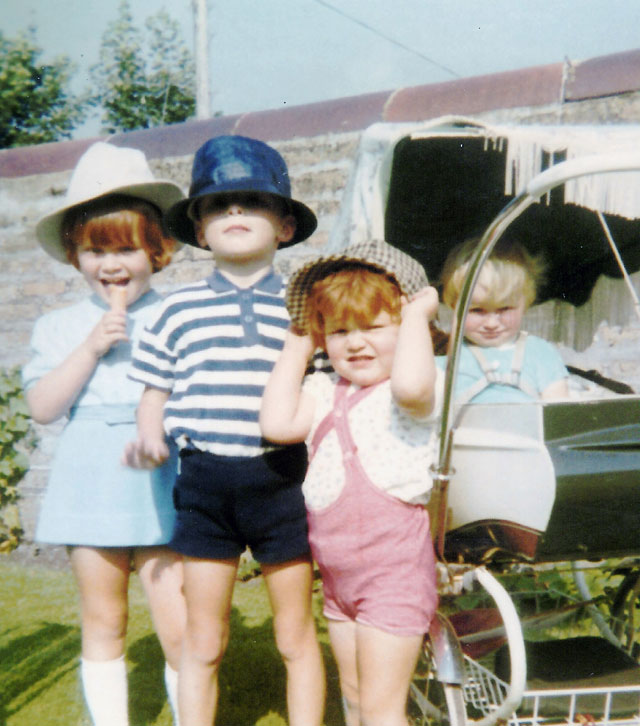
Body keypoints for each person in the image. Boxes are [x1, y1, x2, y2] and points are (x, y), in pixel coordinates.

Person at [122, 135, 325, 726]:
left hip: (282, 482)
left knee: (294, 636)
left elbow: (325, 391)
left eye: (252, 202)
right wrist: (150, 435)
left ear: (285, 227)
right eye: (219, 205)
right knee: (203, 640)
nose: (235, 213)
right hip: (206, 486)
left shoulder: (306, 307)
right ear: (200, 229)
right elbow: (153, 394)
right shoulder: (175, 311)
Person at [22, 142, 187, 726]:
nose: (112, 265)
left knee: (181, 622)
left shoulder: (178, 315)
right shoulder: (58, 324)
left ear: (159, 250)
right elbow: (43, 407)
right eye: (96, 250)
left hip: (163, 471)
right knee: (103, 618)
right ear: (75, 255)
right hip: (90, 472)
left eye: (128, 249)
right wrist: (91, 345)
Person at [260, 239, 442, 726]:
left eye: (374, 327)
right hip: (340, 580)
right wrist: (299, 343)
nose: (355, 342)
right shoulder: (323, 389)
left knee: (383, 711)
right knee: (358, 701)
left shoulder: (411, 393)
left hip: (393, 576)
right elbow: (276, 425)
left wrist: (418, 319)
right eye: (339, 330)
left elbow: (412, 385)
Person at [438, 237, 569, 403]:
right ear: (454, 306)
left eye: (504, 309)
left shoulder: (540, 353)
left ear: (526, 302)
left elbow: (557, 413)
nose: (491, 324)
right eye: (477, 310)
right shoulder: (450, 353)